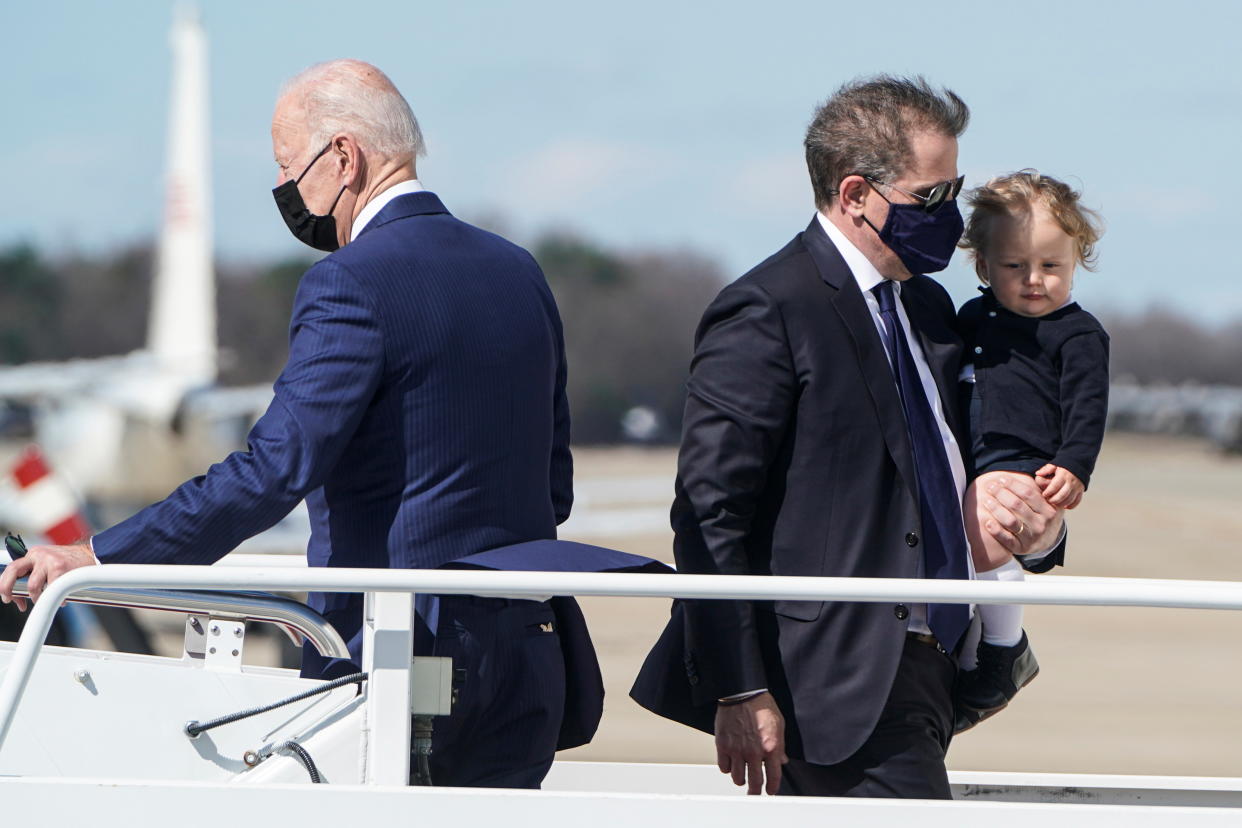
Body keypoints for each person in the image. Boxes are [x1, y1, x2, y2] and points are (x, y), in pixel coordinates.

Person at [0, 59, 654, 789]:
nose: (284, 191)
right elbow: (553, 487)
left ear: (343, 156)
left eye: (288, 166)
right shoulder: (518, 270)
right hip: (529, 659)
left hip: (408, 664)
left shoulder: (350, 281)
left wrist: (99, 557)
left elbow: (273, 469)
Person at [631, 75, 1067, 799]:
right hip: (824, 681)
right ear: (855, 193)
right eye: (932, 198)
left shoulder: (927, 308)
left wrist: (1038, 531)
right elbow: (709, 512)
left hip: (934, 675)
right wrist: (740, 689)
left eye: (955, 191)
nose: (953, 219)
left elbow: (965, 470)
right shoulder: (768, 309)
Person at [953, 171, 1108, 730]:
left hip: (1030, 463)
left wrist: (1074, 468)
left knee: (986, 536)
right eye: (1015, 266)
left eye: (1051, 266)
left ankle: (1003, 649)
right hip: (970, 459)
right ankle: (981, 646)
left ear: (1076, 263)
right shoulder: (969, 320)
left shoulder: (1078, 334)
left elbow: (1088, 408)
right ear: (984, 266)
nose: (1034, 280)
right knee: (970, 553)